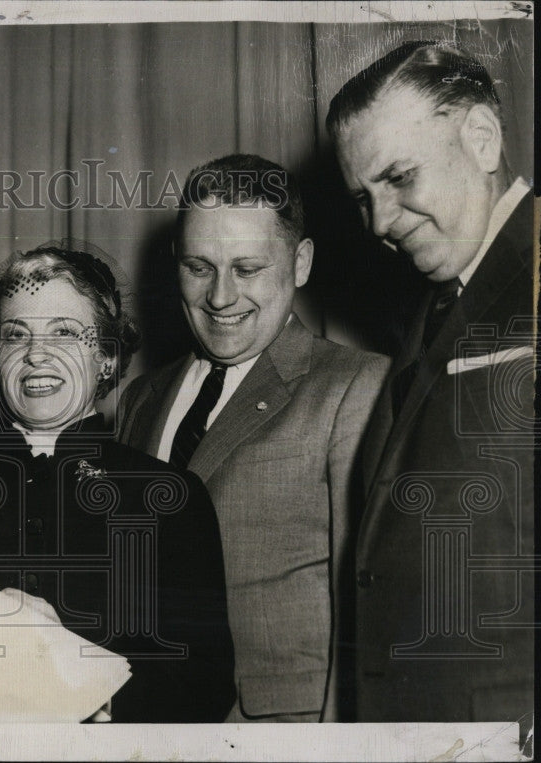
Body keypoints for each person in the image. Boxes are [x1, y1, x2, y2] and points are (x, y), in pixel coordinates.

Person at [0, 243, 236, 722]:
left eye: (64, 333)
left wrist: (82, 686)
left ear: (106, 356)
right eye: (15, 335)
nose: (36, 355)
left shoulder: (170, 499)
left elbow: (204, 680)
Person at [118, 154, 390, 721]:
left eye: (247, 269)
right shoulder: (140, 398)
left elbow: (372, 608)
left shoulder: (357, 386)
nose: (220, 297)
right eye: (199, 267)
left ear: (302, 262)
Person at [327, 41, 534, 727]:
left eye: (399, 178)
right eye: (363, 197)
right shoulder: (432, 308)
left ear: (480, 138)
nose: (380, 223)